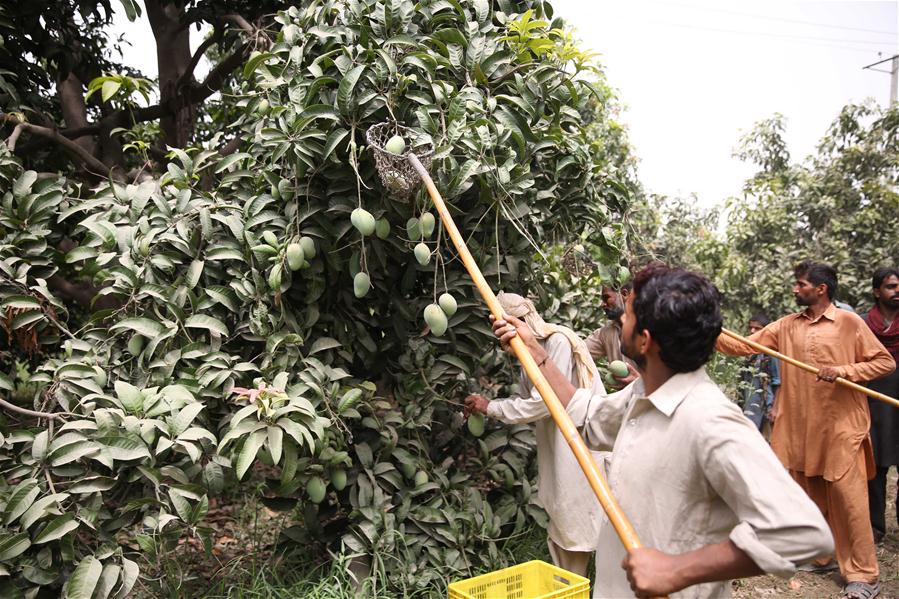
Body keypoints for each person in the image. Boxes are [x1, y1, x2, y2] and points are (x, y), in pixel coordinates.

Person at [492, 265, 834, 598]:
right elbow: (586, 414)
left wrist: (678, 570)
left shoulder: (709, 421)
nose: (620, 319)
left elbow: (803, 532)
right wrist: (535, 351)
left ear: (645, 341)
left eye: (629, 313)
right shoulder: (641, 396)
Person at [717, 261, 895, 599]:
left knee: (850, 502)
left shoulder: (849, 322)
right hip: (802, 428)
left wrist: (844, 370)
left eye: (800, 285)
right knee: (809, 495)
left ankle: (864, 575)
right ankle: (823, 556)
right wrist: (704, 328)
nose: (795, 290)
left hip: (843, 428)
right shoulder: (785, 326)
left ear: (821, 289)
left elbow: (884, 362)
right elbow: (743, 346)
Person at [464, 292, 606, 577]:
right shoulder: (527, 353)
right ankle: (569, 587)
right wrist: (489, 406)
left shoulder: (557, 342)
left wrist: (491, 407)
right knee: (564, 519)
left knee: (579, 520)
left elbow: (546, 402)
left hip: (580, 446)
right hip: (558, 449)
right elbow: (527, 398)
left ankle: (584, 585)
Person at [863, 267, 899, 544]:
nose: (897, 291)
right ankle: (875, 527)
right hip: (874, 405)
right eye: (891, 286)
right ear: (877, 292)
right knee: (874, 469)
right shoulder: (862, 326)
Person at [585, 282, 639, 388]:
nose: (603, 304)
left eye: (606, 298)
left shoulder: (649, 326)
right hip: (626, 401)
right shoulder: (606, 333)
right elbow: (578, 351)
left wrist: (639, 382)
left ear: (624, 294)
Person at [739, 314, 781, 439]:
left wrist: (774, 408)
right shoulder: (747, 352)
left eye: (757, 328)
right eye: (750, 327)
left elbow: (777, 382)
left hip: (763, 405)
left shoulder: (770, 353)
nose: (752, 331)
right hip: (748, 404)